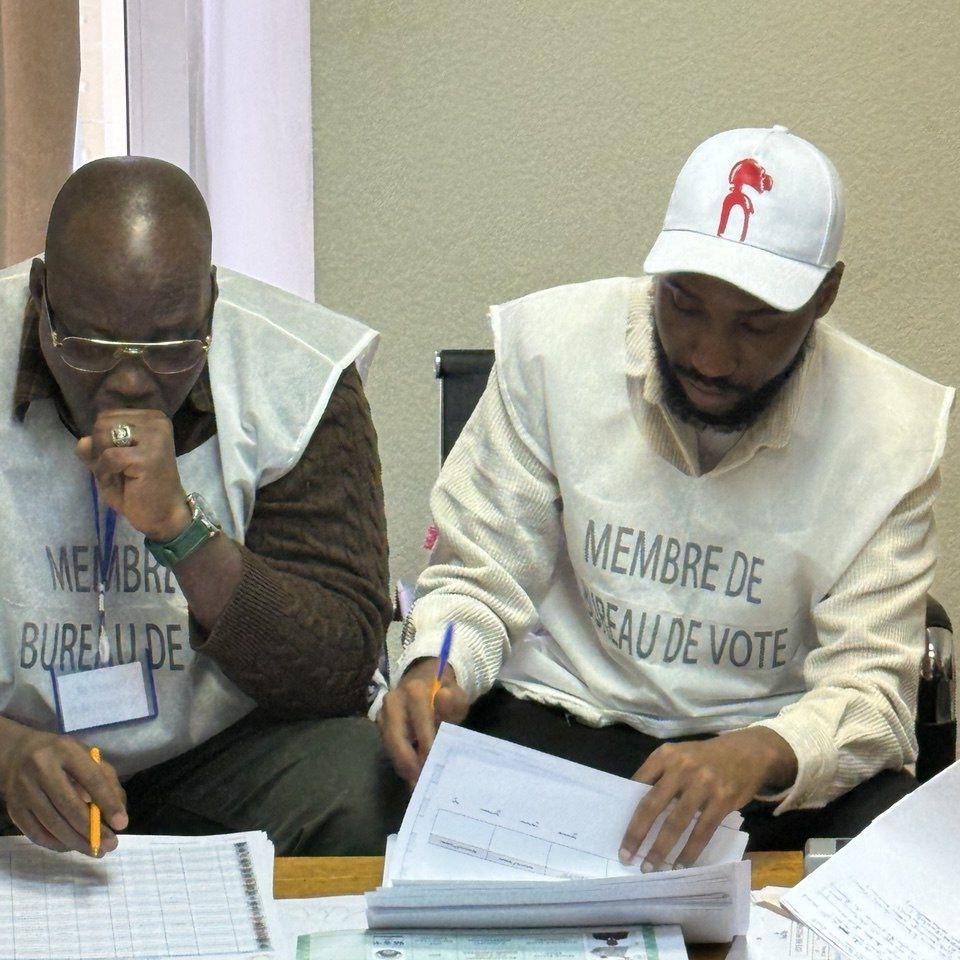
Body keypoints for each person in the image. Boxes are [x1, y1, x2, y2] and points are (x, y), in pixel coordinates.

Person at [378, 126, 954, 867]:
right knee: (402, 790)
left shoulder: (890, 432)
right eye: (682, 305)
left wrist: (760, 751)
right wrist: (436, 665)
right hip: (564, 720)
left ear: (825, 296)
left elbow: (871, 691)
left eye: (757, 325)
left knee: (898, 843)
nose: (710, 358)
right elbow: (474, 582)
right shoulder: (551, 352)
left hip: (764, 751)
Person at [0, 156, 402, 857]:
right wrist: (6, 754)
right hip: (18, 755)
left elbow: (337, 666)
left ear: (211, 304)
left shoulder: (298, 376)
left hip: (220, 757)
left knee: (361, 783)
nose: (130, 380)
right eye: (91, 347)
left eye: (169, 346)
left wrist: (183, 533)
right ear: (41, 298)